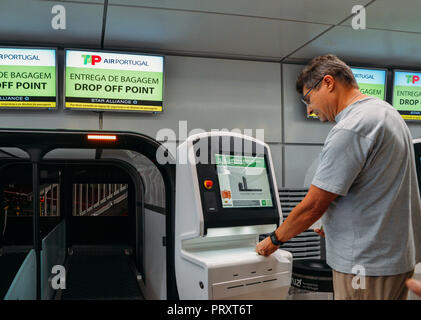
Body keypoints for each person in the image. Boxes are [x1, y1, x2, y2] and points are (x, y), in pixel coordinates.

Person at [256, 54, 421, 300]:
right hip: (394, 261)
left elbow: (313, 206)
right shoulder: (387, 113)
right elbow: (376, 190)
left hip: (364, 266)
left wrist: (273, 240)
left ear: (328, 83)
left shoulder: (352, 126)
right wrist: (335, 222)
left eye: (308, 99)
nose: (310, 110)